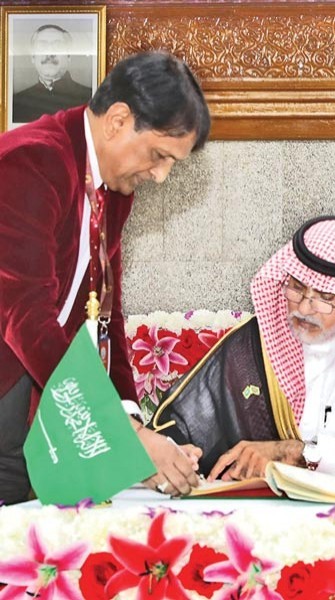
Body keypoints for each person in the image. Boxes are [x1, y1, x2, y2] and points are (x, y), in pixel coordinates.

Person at [0, 51, 211, 504]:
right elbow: (25, 317)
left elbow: (105, 314)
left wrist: (134, 425)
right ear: (117, 120)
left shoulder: (113, 187)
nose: (160, 176)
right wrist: (124, 433)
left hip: (41, 408)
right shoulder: (31, 162)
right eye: (158, 155)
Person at [151, 216, 335, 481]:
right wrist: (179, 454)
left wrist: (301, 454)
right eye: (296, 287)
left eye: (324, 296)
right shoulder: (255, 345)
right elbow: (187, 422)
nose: (305, 307)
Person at [12, 24, 93, 124]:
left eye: (58, 46)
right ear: (33, 57)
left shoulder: (90, 99)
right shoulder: (16, 103)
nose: (49, 54)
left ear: (69, 56)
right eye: (42, 46)